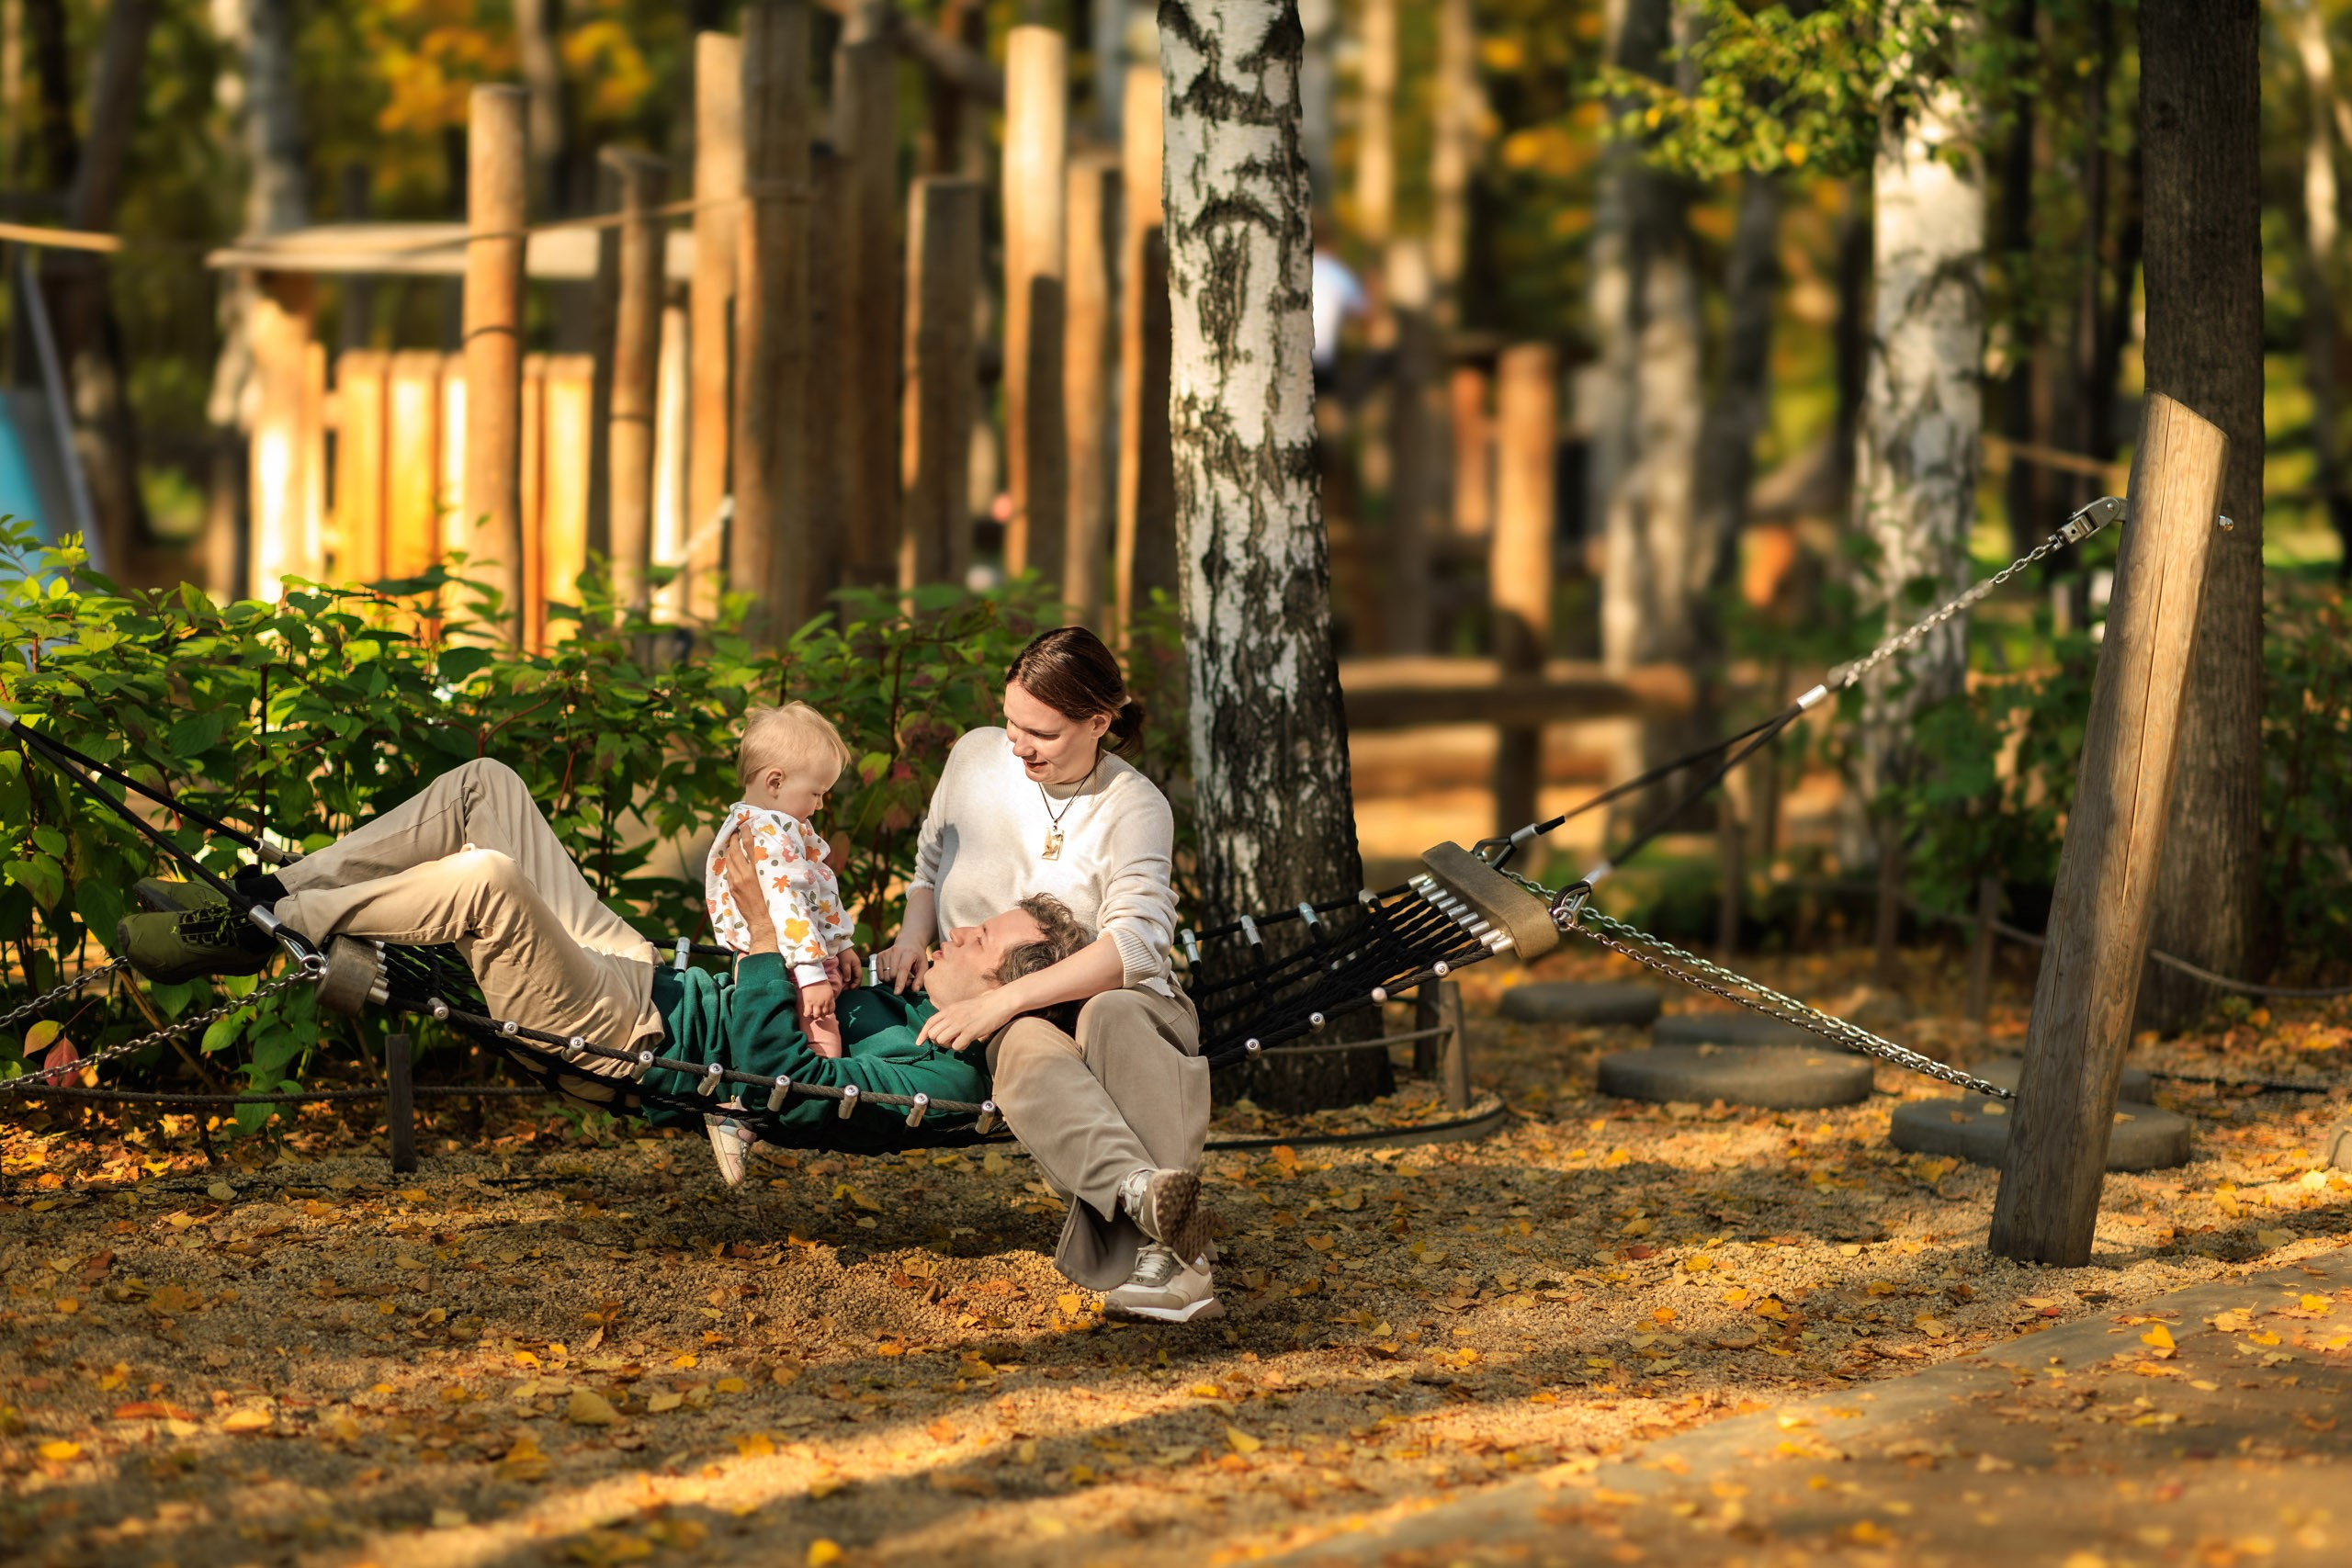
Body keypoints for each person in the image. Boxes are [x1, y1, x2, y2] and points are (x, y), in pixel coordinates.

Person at [110, 758, 1091, 1183]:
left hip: (627, 1041)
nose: (961, 937)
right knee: (486, 791)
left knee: (488, 884)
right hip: (644, 982)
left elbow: (782, 1089)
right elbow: (823, 973)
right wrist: (827, 947)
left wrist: (760, 933)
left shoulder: (942, 1072)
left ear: (1013, 984)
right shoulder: (913, 993)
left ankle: (263, 923)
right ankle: (270, 892)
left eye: (981, 944)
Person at [879, 626, 1219, 1325]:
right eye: (1011, 722)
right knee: (1025, 1046)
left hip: (1124, 999)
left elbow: (1136, 948)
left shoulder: (1135, 806)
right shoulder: (975, 757)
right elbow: (927, 862)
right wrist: (915, 933)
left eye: (1042, 731)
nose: (1018, 744)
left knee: (1109, 1013)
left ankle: (1173, 1257)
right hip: (1013, 1011)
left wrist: (1005, 998)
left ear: (1100, 721)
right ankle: (1148, 1198)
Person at [703, 702, 859, 1059]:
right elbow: (785, 901)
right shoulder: (768, 833)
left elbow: (816, 891)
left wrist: (840, 942)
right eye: (816, 793)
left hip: (791, 957)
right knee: (819, 1043)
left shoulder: (774, 827)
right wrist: (810, 973)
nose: (819, 805)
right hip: (793, 966)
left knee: (765, 1036)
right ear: (775, 782)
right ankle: (813, 1107)